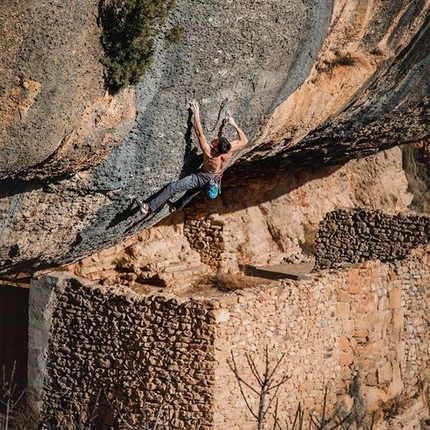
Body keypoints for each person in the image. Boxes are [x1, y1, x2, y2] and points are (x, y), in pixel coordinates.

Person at [136, 100, 249, 215]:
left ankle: (148, 207)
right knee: (192, 192)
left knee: (173, 187)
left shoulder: (209, 152)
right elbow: (245, 140)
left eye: (216, 141)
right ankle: (176, 206)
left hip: (202, 177)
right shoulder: (229, 150)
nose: (215, 139)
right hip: (215, 178)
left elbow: (199, 133)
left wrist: (196, 114)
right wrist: (233, 123)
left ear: (215, 149)